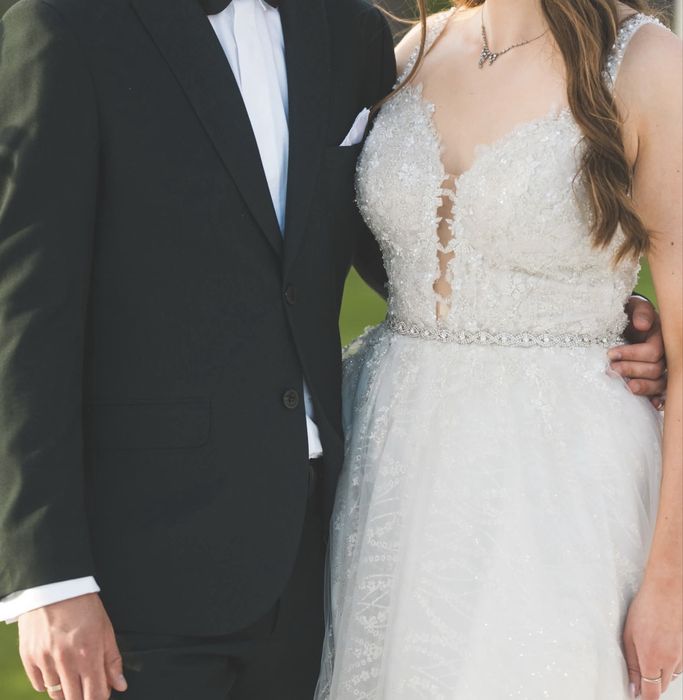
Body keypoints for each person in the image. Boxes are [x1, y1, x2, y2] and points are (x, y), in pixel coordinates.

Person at [0, 0, 396, 697]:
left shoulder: (349, 28)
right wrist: (49, 581)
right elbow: (25, 314)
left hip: (313, 555)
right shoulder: (64, 24)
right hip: (138, 571)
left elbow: (410, 245)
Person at [315, 1, 681, 698]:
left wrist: (671, 581)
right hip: (391, 468)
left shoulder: (645, 64)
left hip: (559, 484)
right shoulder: (413, 52)